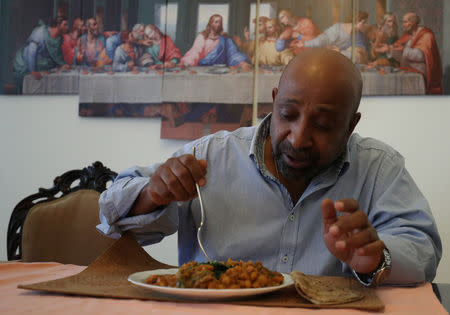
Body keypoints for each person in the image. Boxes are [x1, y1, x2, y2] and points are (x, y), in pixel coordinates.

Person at [98, 48, 441, 286]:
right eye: (288, 115)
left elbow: (422, 248)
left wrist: (376, 258)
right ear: (274, 100)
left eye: (323, 125)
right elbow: (112, 214)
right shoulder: (212, 155)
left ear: (351, 126)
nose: (298, 138)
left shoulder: (378, 168)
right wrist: (153, 195)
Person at [389, 12, 442, 94]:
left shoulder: (427, 35)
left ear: (413, 23)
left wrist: (403, 49)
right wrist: (389, 49)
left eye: (405, 22)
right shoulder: (407, 36)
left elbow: (420, 56)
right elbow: (402, 56)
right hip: (407, 71)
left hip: (419, 74)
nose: (403, 25)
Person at [12, 16, 69, 93]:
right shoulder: (40, 33)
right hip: (26, 62)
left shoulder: (59, 38)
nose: (67, 27)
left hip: (43, 64)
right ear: (58, 25)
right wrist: (32, 71)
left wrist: (63, 64)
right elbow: (31, 52)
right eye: (65, 24)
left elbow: (57, 55)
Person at [181, 14, 251, 71]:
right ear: (210, 23)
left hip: (221, 70)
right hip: (204, 68)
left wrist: (241, 63)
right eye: (216, 22)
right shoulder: (202, 36)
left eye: (220, 22)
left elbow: (233, 53)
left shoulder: (225, 39)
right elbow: (195, 51)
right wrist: (186, 63)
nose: (218, 24)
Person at [299, 11, 370, 64]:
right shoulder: (337, 29)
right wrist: (305, 44)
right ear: (357, 21)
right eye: (364, 22)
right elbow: (322, 40)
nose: (366, 25)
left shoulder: (360, 36)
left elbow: (359, 57)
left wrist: (340, 52)